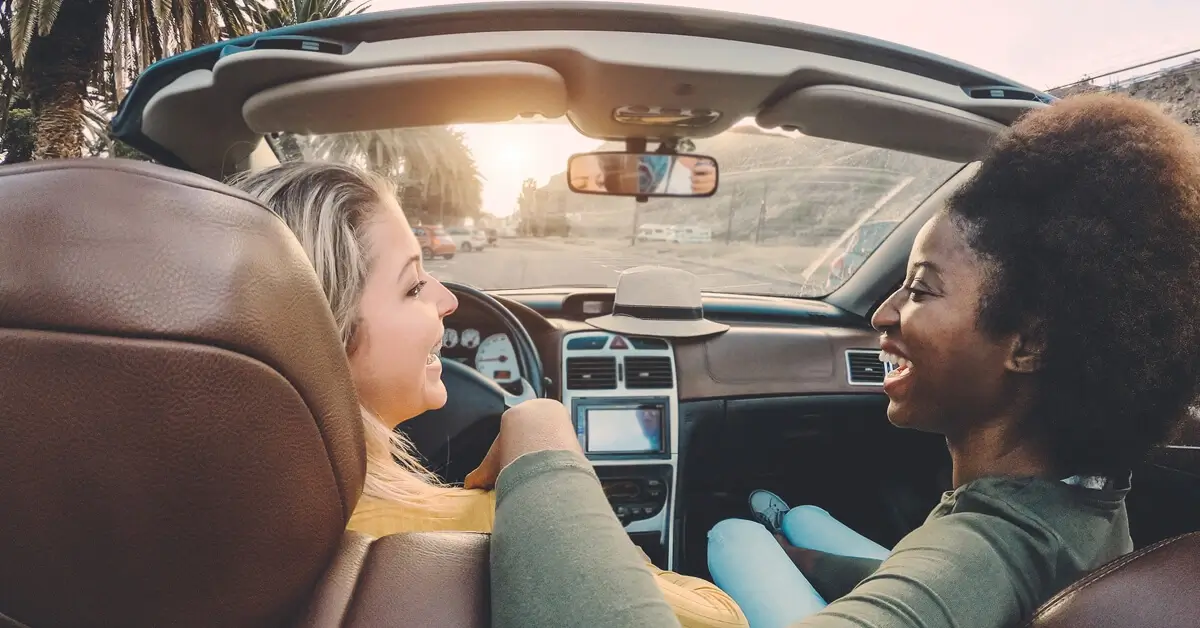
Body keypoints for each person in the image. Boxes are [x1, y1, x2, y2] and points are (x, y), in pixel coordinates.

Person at [491, 93, 1200, 628]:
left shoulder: (986, 552)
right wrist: (822, 566)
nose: (880, 314)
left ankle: (759, 523)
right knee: (792, 524)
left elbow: (958, 578)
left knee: (733, 535)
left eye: (919, 289)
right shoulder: (1082, 503)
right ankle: (782, 522)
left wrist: (540, 439)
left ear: (1030, 344)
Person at [228, 161, 747, 628]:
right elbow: (725, 619)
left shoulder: (217, 537)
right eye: (413, 286)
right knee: (738, 539)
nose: (447, 299)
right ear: (324, 333)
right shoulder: (502, 527)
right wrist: (605, 541)